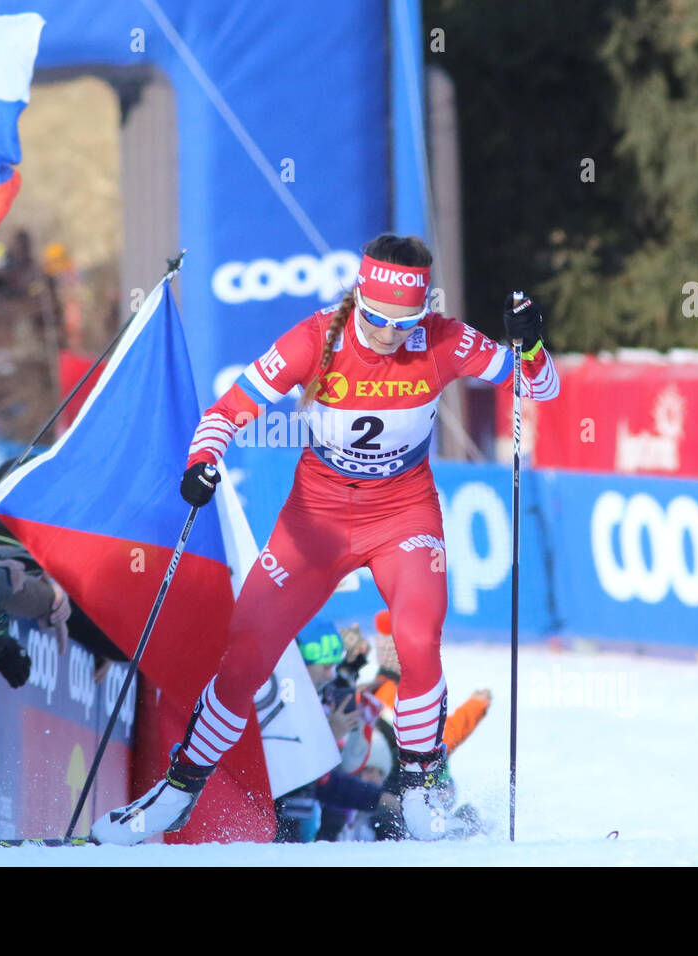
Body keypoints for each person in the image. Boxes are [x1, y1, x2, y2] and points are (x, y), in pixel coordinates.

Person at [92, 233, 560, 845]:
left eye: (405, 321)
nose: (390, 334)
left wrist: (532, 345)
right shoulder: (315, 340)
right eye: (376, 318)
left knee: (418, 639)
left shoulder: (444, 339)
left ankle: (418, 784)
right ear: (358, 299)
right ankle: (177, 792)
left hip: (403, 516)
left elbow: (539, 388)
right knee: (246, 657)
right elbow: (225, 412)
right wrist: (203, 461)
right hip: (315, 521)